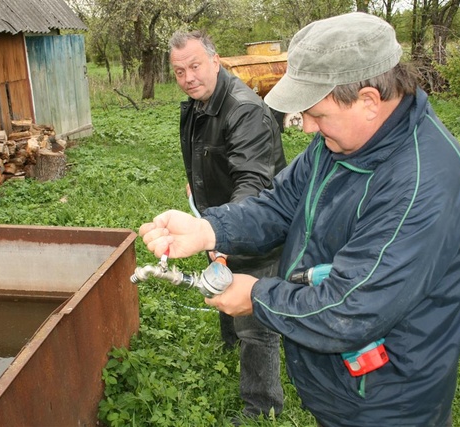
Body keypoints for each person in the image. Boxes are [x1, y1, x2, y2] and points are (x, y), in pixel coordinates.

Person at [142, 13, 460, 427]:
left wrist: (258, 297)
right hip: (338, 384)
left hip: (386, 401)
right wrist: (209, 228)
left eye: (317, 114)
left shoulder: (423, 183)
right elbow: (280, 203)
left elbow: (352, 307)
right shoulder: (338, 143)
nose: (308, 129)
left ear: (369, 101)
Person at [167, 30, 287, 420]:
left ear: (216, 62)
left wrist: (224, 231)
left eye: (195, 66)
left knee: (254, 314)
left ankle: (262, 405)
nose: (188, 76)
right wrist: (198, 180)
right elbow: (211, 153)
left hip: (255, 225)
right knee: (223, 275)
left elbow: (253, 183)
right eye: (179, 70)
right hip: (219, 216)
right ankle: (228, 344)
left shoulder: (245, 110)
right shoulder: (198, 102)